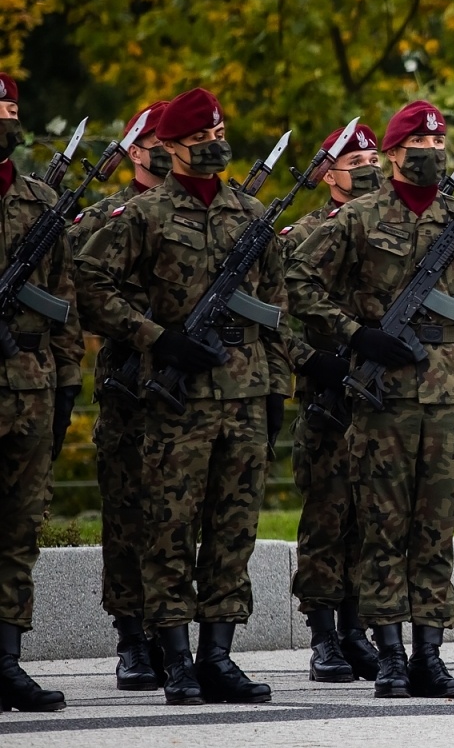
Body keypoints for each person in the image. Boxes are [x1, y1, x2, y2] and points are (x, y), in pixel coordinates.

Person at [77, 86, 288, 705]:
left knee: (233, 528)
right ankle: (174, 658)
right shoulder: (142, 216)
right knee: (169, 527)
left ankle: (218, 654)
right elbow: (90, 284)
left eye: (216, 135)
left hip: (243, 396)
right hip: (175, 403)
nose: (211, 147)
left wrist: (276, 387)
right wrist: (156, 339)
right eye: (196, 141)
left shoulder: (251, 215)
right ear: (167, 149)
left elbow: (276, 310)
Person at [286, 99, 454, 698]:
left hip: (450, 394)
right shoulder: (357, 219)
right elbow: (296, 280)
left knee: (435, 528)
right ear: (393, 154)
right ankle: (388, 653)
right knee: (383, 527)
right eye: (418, 148)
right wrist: (356, 336)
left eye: (439, 146)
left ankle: (430, 650)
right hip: (385, 400)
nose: (431, 155)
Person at [69, 98, 169, 692]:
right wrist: (147, 333)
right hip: (130, 381)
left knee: (178, 515)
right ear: (135, 149)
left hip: (190, 392)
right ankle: (132, 635)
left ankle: (173, 631)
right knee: (128, 513)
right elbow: (86, 295)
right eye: (156, 139)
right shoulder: (107, 215)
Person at [279, 122, 384, 683]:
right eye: (353, 159)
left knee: (370, 516)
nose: (366, 167)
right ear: (326, 172)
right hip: (330, 395)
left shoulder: (387, 227)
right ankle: (323, 635)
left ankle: (355, 628)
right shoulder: (301, 235)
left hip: (382, 394)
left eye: (372, 158)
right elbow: (270, 314)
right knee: (327, 517)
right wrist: (309, 359)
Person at [0, 72, 80, 712]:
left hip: (30, 385)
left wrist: (68, 385)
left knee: (18, 530)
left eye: (10, 106)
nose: (8, 115)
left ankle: (7, 659)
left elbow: (63, 309)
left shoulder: (39, 203)